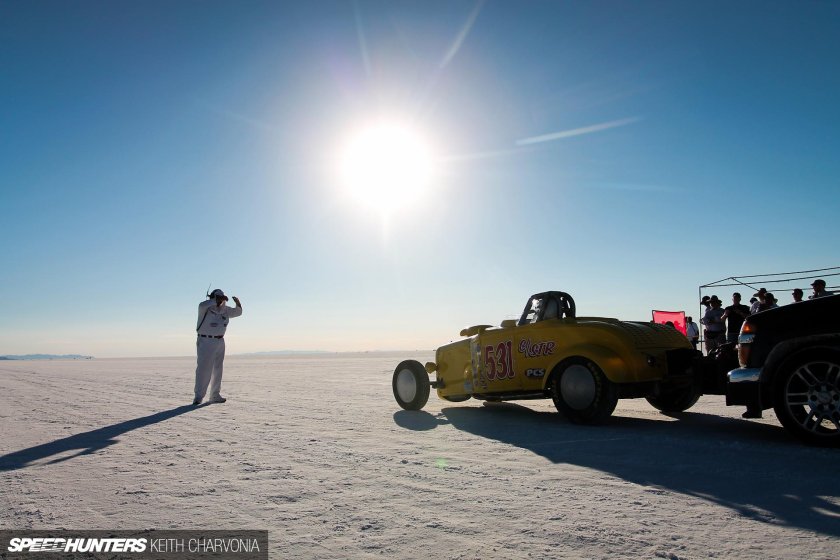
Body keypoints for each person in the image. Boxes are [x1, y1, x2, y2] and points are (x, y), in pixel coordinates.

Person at [194, 289, 243, 405]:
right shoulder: (205, 308)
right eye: (217, 297)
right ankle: (198, 397)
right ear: (212, 297)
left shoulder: (225, 310)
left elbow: (238, 313)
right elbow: (202, 304)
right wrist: (215, 300)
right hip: (206, 340)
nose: (220, 300)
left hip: (220, 341)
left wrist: (238, 304)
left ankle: (215, 394)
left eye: (221, 298)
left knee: (218, 369)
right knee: (204, 369)